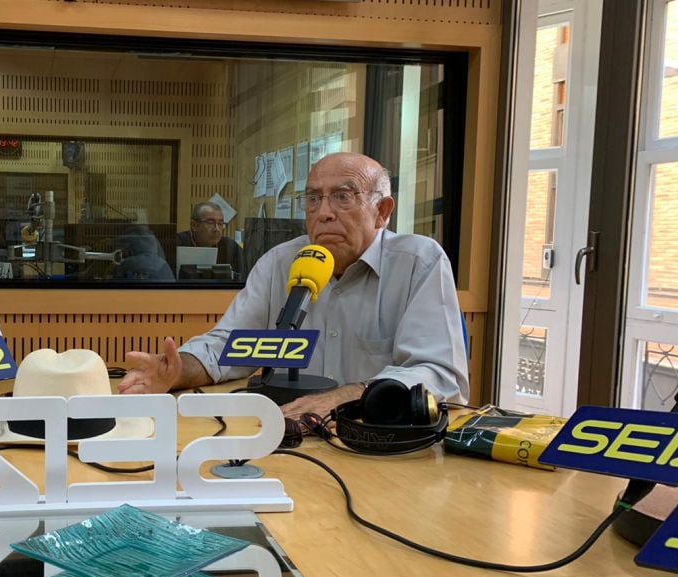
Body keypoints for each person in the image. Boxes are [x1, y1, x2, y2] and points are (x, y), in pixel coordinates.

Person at [121, 152, 468, 419]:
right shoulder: (281, 262)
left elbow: (439, 374)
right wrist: (179, 370)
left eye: (343, 197)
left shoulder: (418, 263)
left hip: (376, 437)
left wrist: (346, 397)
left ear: (382, 211)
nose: (324, 213)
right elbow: (229, 347)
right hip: (293, 432)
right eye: (314, 199)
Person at [177, 201, 244, 279]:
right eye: (210, 223)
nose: (217, 229)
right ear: (194, 225)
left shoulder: (230, 246)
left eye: (220, 224)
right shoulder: (177, 243)